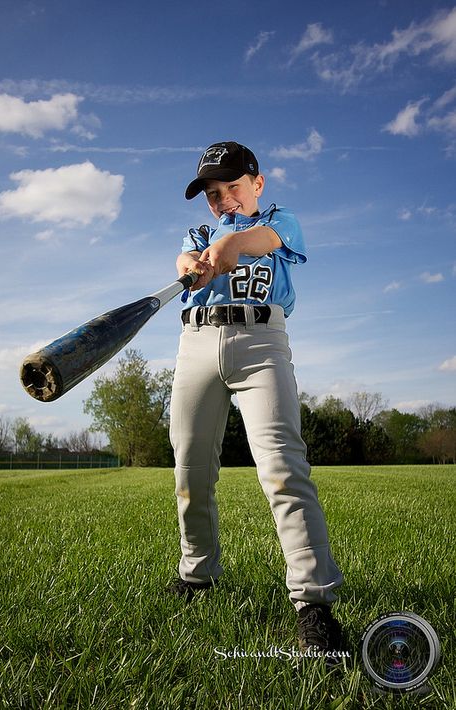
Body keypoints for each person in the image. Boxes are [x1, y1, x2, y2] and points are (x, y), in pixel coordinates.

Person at [168, 141, 344, 654]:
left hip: (261, 341)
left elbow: (263, 239)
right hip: (196, 343)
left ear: (257, 183)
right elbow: (185, 254)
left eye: (232, 187)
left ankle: (313, 603)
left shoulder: (277, 219)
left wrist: (234, 246)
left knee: (283, 467)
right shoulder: (199, 234)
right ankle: (197, 574)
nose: (223, 201)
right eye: (213, 194)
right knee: (190, 470)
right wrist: (189, 261)